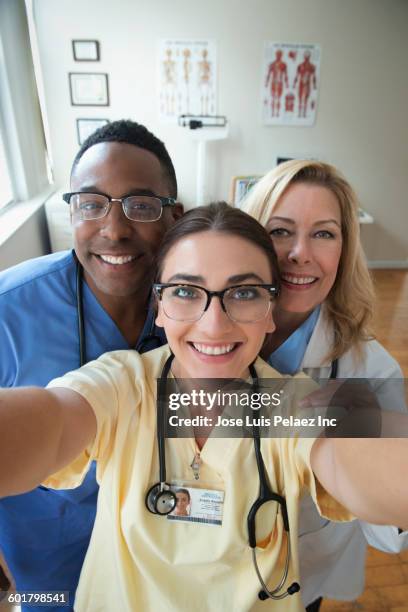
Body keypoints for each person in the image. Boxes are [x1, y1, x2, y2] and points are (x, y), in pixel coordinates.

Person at [1, 202, 408, 612]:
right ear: (158, 306)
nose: (214, 323)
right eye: (185, 291)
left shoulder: (290, 403)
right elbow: (53, 419)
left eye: (245, 292)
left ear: (270, 312)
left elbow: (357, 459)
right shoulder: (123, 386)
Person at [0, 119, 182, 611]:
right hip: (51, 579)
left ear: (174, 216)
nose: (115, 228)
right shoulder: (8, 311)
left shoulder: (197, 313)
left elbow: (265, 407)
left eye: (141, 205)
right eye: (91, 203)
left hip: (162, 578)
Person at [241, 160, 408, 610]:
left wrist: (363, 420)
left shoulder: (371, 369)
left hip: (299, 575)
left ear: (345, 247)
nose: (300, 252)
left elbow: (388, 531)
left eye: (324, 233)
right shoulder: (200, 340)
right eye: (279, 231)